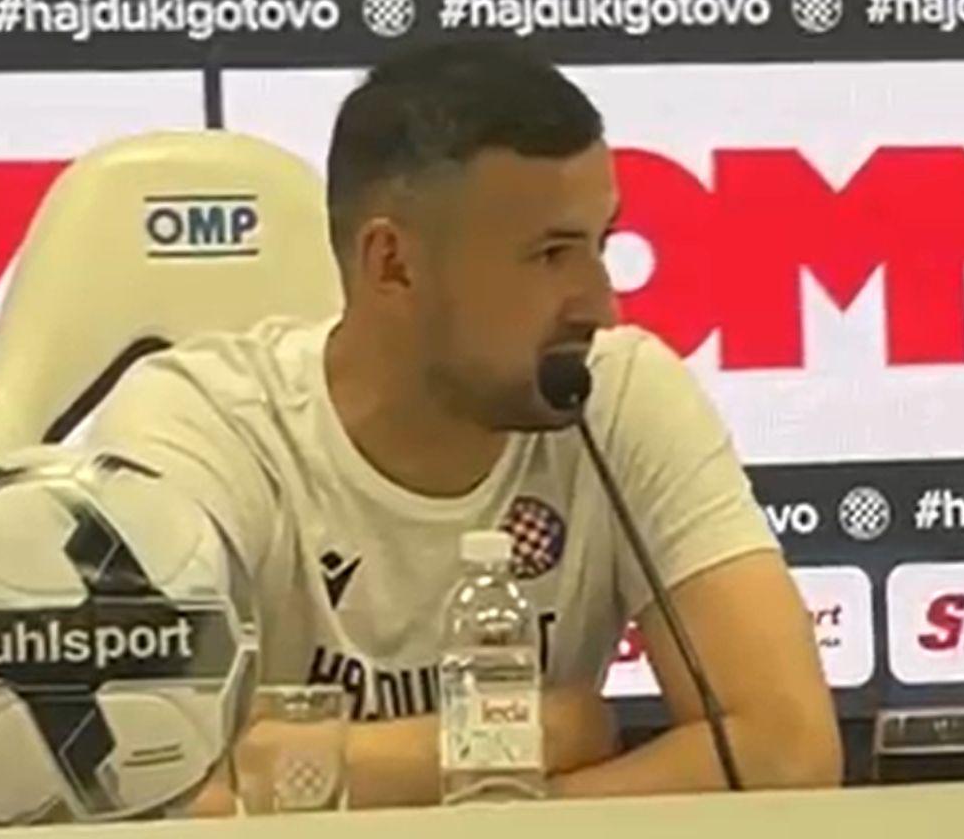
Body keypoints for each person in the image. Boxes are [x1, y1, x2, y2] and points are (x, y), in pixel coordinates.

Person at [83, 40, 841, 807]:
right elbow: (139, 779)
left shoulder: (619, 396)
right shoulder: (201, 425)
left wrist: (496, 814)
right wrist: (541, 734)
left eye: (600, 244)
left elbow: (787, 750)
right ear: (393, 264)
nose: (600, 305)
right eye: (551, 255)